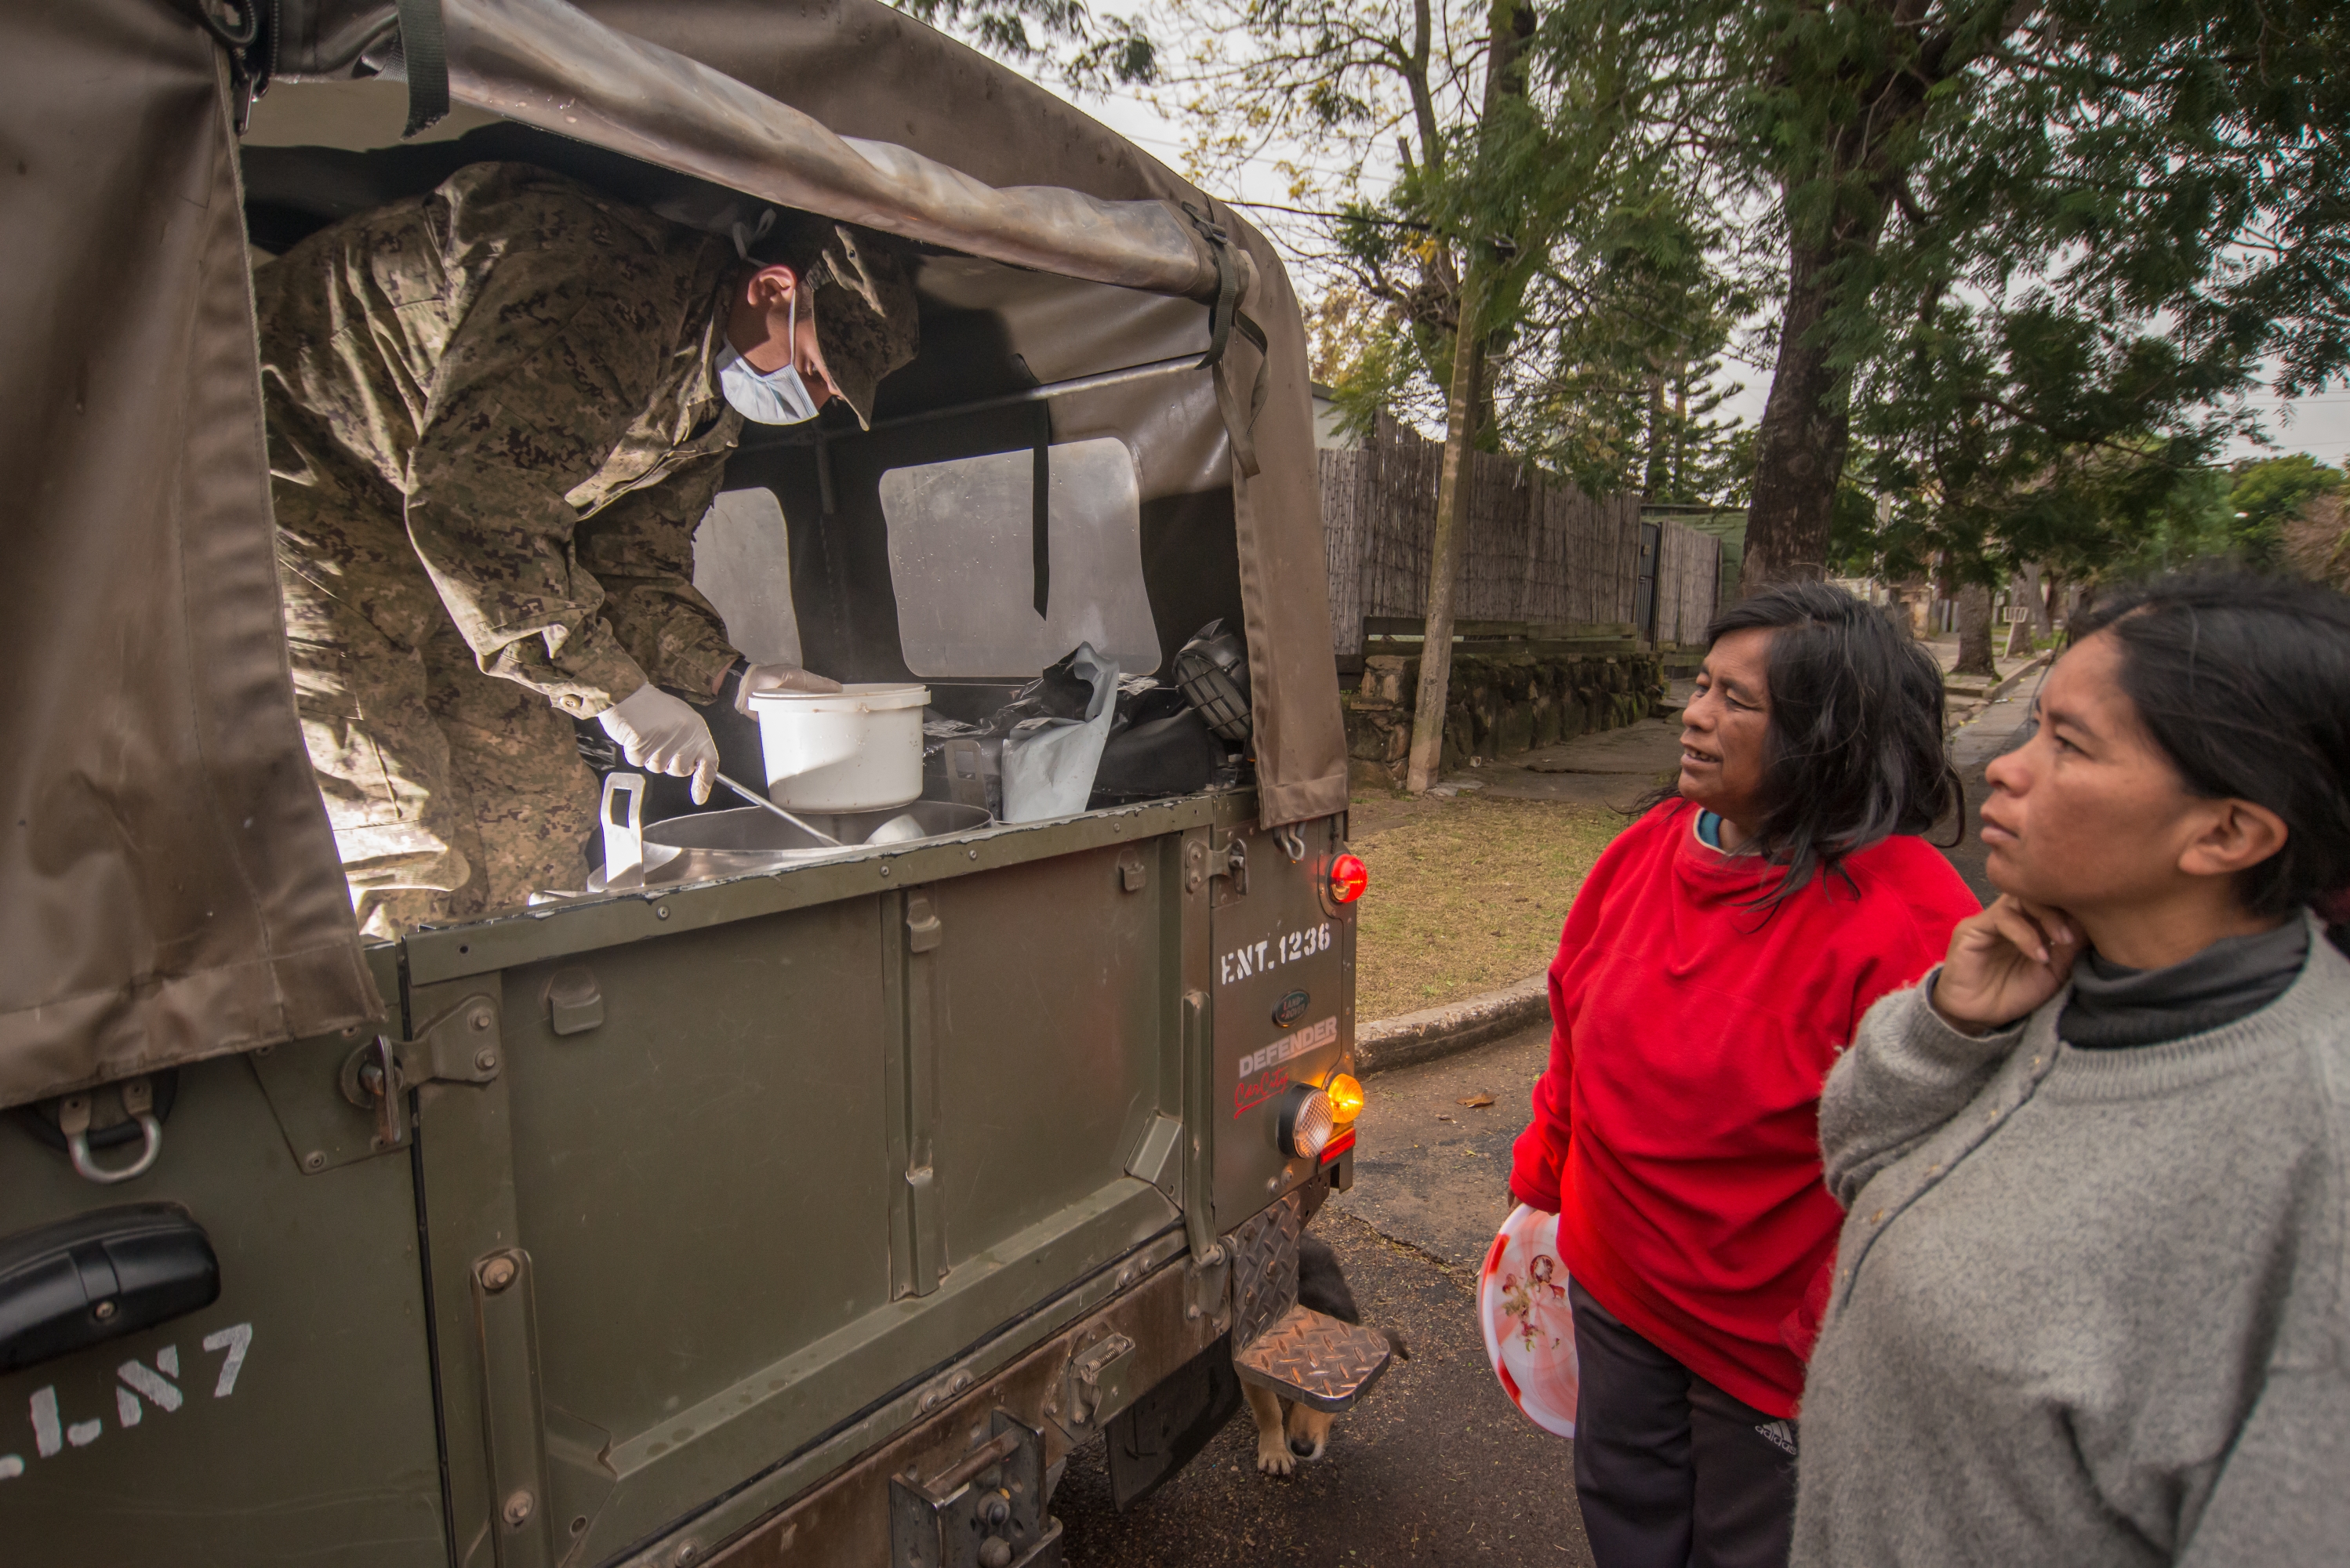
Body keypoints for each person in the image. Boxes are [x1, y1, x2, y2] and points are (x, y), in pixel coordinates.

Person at [1796, 572, 2350, 1567]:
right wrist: (1944, 1028)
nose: (2006, 766)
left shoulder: (2316, 1157)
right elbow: (1860, 1163)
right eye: (2034, 725)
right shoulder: (2068, 974)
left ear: (2229, 831)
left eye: (2069, 743)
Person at [256, 162, 919, 935]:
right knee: (399, 831)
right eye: (816, 368)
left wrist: (733, 676)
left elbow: (630, 566)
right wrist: (619, 696)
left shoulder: (705, 411)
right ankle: (395, 1047)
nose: (818, 399)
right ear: (771, 290)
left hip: (468, 561)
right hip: (305, 483)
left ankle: (507, 1035)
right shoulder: (601, 291)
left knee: (535, 809)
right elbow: (472, 504)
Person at [1506, 583, 1978, 1568]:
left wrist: (1821, 1341)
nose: (1695, 712)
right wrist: (1544, 1189)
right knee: (1625, 1516)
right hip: (1617, 1288)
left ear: (1829, 736)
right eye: (1701, 683)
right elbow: (1574, 1030)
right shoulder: (1642, 853)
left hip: (1773, 1357)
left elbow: (1933, 1171)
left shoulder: (1910, 916)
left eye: (1739, 699)